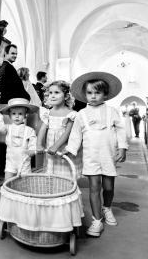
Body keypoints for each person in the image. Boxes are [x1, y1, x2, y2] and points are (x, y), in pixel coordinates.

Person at [66, 72, 128, 237]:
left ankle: (106, 207)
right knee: (94, 186)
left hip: (108, 153)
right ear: (85, 95)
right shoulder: (81, 115)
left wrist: (122, 147)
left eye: (97, 93)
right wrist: (71, 149)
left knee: (108, 186)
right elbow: (75, 135)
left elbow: (121, 129)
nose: (93, 97)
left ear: (105, 94)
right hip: (90, 154)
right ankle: (97, 220)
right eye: (89, 93)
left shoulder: (112, 112)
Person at [36, 81, 82, 181]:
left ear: (66, 96)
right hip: (50, 146)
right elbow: (42, 129)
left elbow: (67, 132)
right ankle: (53, 191)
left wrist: (56, 146)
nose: (52, 96)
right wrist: (39, 144)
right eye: (50, 93)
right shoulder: (47, 113)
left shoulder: (71, 114)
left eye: (57, 93)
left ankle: (67, 190)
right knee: (51, 172)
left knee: (66, 173)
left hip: (63, 146)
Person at [0, 98, 38, 180]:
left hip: (24, 159)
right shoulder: (8, 128)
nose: (17, 116)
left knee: (25, 179)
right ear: (10, 116)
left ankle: (24, 191)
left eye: (20, 114)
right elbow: (0, 128)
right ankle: (8, 191)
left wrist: (32, 148)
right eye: (14, 114)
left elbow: (33, 140)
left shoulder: (29, 130)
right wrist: (0, 117)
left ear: (26, 115)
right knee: (7, 179)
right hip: (11, 159)